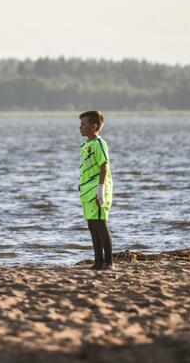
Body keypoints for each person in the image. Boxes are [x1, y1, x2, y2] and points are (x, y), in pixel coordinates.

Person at [78, 111, 113, 270]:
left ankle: (109, 262)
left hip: (97, 189)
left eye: (83, 124)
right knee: (92, 226)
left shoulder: (99, 143)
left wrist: (100, 189)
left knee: (100, 224)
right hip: (86, 191)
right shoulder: (85, 145)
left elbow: (104, 165)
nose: (80, 127)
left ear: (93, 126)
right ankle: (98, 261)